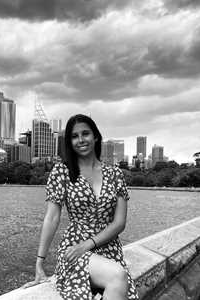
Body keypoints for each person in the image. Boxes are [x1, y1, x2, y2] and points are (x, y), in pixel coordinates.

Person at [24, 114, 139, 300]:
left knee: (119, 279)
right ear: (70, 142)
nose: (80, 140)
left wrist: (89, 244)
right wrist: (39, 263)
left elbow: (119, 223)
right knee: (117, 276)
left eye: (85, 133)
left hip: (108, 248)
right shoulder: (62, 171)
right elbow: (52, 218)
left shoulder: (115, 173)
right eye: (74, 136)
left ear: (96, 137)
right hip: (74, 248)